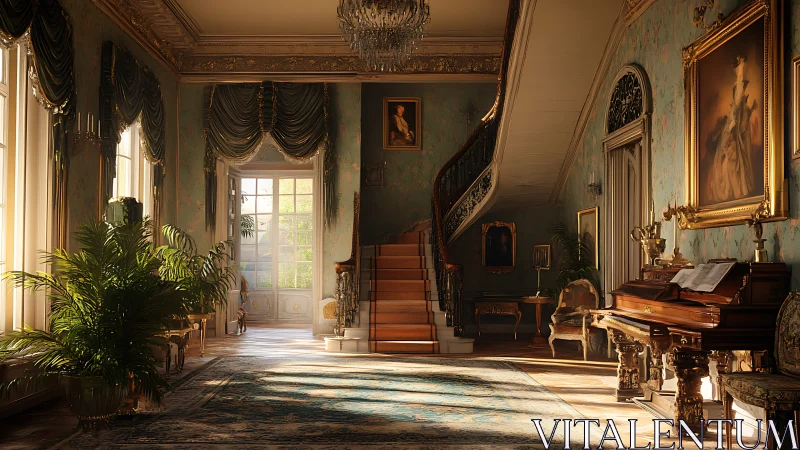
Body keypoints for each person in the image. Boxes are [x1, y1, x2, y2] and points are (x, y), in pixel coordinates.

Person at [704, 55, 758, 204]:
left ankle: (740, 74)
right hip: (729, 148)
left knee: (733, 167)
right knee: (729, 167)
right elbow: (734, 111)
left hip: (733, 145)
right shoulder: (727, 125)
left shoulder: (738, 118)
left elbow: (738, 113)